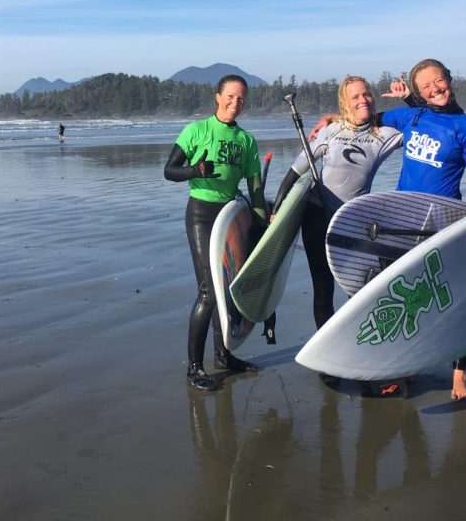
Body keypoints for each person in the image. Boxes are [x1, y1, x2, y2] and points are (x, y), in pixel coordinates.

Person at [313, 59, 466, 400]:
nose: (434, 88)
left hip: (443, 219)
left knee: (452, 297)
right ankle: (408, 362)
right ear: (419, 93)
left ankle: (459, 372)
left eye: (438, 80)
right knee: (407, 296)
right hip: (404, 220)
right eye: (425, 86)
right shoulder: (410, 117)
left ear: (449, 79)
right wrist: (336, 119)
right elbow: (367, 122)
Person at [272, 76, 403, 384]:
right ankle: (329, 359)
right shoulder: (330, 132)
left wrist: (410, 99)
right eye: (355, 96)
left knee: (358, 289)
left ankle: (364, 351)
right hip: (317, 215)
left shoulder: (384, 135)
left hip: (352, 219)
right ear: (345, 102)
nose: (363, 100)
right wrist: (277, 209)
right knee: (323, 287)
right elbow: (296, 169)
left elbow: (420, 125)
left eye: (367, 94)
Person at [164, 75, 268, 391]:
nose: (235, 103)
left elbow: (256, 190)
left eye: (241, 99)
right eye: (231, 97)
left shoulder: (246, 141)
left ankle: (223, 357)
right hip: (201, 213)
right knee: (209, 292)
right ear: (218, 96)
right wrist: (196, 171)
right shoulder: (196, 131)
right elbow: (169, 171)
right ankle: (194, 368)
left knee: (229, 290)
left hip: (231, 215)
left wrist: (262, 226)